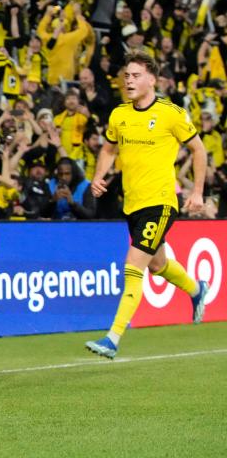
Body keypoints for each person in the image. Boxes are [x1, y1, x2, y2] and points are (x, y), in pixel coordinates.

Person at [86, 51, 209, 360]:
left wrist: (197, 192)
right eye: (126, 75)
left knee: (134, 265)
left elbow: (199, 150)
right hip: (133, 203)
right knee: (157, 264)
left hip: (162, 201)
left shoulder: (171, 114)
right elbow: (109, 149)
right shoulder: (119, 115)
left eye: (136, 75)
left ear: (152, 80)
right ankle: (196, 289)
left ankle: (113, 337)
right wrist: (99, 176)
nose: (129, 80)